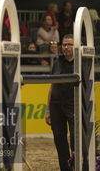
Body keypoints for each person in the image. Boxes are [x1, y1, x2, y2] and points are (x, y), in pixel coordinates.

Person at [45, 34, 75, 171]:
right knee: (59, 139)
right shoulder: (57, 62)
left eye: (69, 44)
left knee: (75, 139)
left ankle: (76, 165)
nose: (66, 47)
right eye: (64, 44)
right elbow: (52, 86)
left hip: (73, 105)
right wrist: (48, 110)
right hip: (56, 106)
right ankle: (65, 168)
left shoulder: (81, 64)